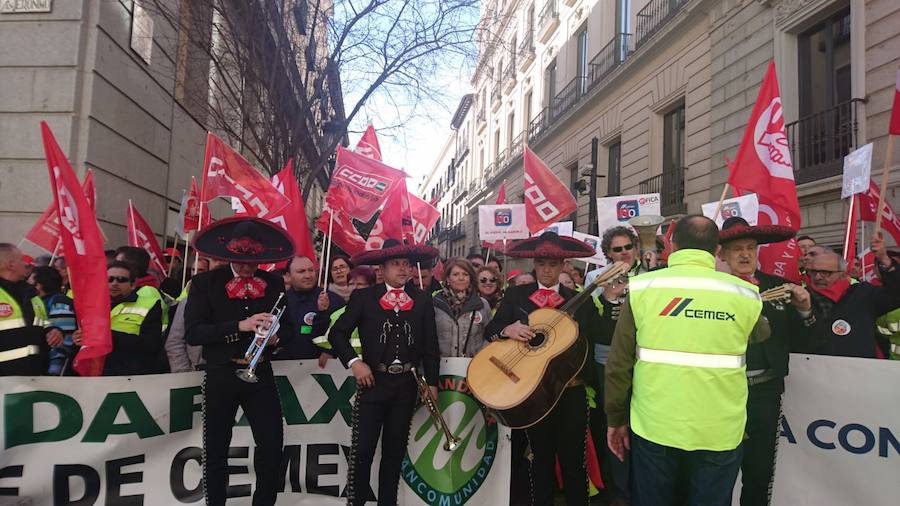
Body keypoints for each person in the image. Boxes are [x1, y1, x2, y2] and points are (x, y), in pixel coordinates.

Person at [605, 215, 770, 506]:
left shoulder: (644, 288)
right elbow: (760, 334)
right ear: (717, 250)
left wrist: (616, 419)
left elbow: (618, 364)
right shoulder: (744, 293)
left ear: (671, 244)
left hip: (655, 425)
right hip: (719, 429)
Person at [484, 231, 602, 506]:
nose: (547, 270)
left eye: (553, 264)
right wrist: (507, 329)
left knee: (574, 461)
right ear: (534, 265)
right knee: (540, 458)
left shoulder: (579, 299)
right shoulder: (516, 295)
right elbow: (490, 328)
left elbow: (594, 338)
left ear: (563, 266)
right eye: (542, 264)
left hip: (570, 391)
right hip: (534, 393)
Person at [184, 217, 296, 506]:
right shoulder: (203, 283)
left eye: (253, 262)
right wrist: (241, 326)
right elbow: (194, 333)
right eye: (240, 261)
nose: (247, 268)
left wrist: (276, 337)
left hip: (260, 374)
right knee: (216, 450)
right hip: (221, 373)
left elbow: (291, 328)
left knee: (272, 445)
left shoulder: (273, 282)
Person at [327, 239, 440, 506]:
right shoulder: (364, 297)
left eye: (406, 264)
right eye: (396, 264)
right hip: (373, 382)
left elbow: (430, 346)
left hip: (406, 385)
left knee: (394, 452)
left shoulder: (422, 299)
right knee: (363, 450)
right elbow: (337, 334)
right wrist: (355, 362)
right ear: (383, 268)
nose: (403, 269)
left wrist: (432, 383)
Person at [716, 217, 814, 506]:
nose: (745, 254)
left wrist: (805, 311)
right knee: (716, 470)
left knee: (758, 473)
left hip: (764, 393)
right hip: (718, 392)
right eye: (737, 249)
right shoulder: (711, 289)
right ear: (722, 254)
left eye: (750, 248)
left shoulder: (782, 289)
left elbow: (806, 342)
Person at [801, 236, 900, 358]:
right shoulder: (802, 298)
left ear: (842, 275)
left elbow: (896, 294)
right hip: (814, 368)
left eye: (825, 272)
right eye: (813, 272)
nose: (817, 277)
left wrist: (884, 259)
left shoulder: (864, 293)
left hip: (859, 369)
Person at [0, 243, 57, 376]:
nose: (26, 264)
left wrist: (52, 330)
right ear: (10, 265)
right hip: (4, 382)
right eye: (21, 260)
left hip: (33, 376)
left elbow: (42, 322)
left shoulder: (32, 295)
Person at [165, 258, 229, 373]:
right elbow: (175, 341)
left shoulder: (244, 299)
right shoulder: (189, 300)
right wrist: (184, 373)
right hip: (197, 371)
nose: (219, 263)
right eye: (215, 260)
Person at [278, 255, 344, 360]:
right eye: (301, 271)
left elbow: (343, 333)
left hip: (323, 367)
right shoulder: (280, 300)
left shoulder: (333, 300)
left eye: (311, 270)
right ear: (288, 276)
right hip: (285, 365)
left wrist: (330, 351)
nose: (308, 275)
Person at [314, 266, 376, 364]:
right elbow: (322, 341)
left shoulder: (382, 311)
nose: (354, 288)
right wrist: (330, 351)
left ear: (371, 286)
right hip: (348, 371)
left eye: (360, 284)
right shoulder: (336, 315)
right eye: (351, 284)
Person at [433, 258, 492, 357]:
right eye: (456, 274)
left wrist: (482, 356)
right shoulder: (435, 304)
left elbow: (490, 335)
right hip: (442, 367)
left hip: (473, 367)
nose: (461, 278)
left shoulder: (482, 304)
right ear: (448, 278)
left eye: (465, 274)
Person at [31, 266, 76, 375]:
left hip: (55, 372)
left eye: (30, 282)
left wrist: (53, 373)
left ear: (39, 285)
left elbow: (61, 344)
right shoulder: (41, 302)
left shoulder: (59, 303)